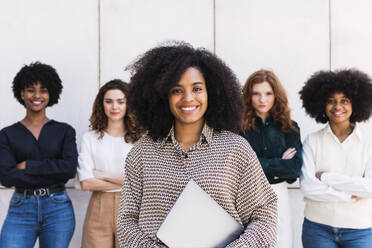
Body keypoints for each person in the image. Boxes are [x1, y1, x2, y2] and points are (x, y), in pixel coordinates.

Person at [116, 42, 278, 248]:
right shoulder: (143, 152)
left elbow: (264, 215)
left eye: (197, 88)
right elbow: (126, 221)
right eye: (177, 90)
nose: (188, 98)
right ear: (162, 95)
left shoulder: (235, 150)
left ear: (212, 92)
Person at [0, 62, 77, 248]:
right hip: (21, 208)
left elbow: (68, 169)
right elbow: (6, 176)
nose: (36, 96)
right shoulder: (7, 134)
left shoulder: (64, 131)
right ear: (21, 94)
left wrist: (28, 166)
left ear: (50, 94)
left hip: (58, 209)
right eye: (30, 90)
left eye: (43, 90)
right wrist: (51, 169)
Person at [299, 69, 372, 248]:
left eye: (344, 101)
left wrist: (325, 177)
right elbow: (308, 187)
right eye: (331, 101)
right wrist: (349, 194)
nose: (337, 107)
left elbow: (369, 188)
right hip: (317, 228)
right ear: (321, 105)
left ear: (356, 104)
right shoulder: (312, 141)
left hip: (359, 230)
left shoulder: (369, 144)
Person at [240, 69, 302, 248]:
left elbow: (293, 170)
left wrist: (257, 162)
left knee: (281, 242)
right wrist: (279, 163)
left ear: (276, 95)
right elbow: (240, 166)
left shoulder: (290, 128)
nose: (262, 99)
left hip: (278, 195)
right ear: (249, 96)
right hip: (248, 196)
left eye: (268, 93)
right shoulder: (239, 128)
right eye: (256, 94)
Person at [77, 79, 143, 248]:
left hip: (132, 208)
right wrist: (126, 180)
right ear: (102, 104)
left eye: (120, 102)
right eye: (109, 101)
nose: (114, 107)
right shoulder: (90, 138)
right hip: (99, 207)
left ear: (129, 104)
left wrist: (104, 175)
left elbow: (144, 181)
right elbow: (86, 182)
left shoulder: (141, 139)